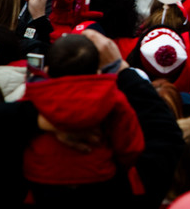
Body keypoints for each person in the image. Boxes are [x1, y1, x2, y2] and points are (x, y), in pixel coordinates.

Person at [21, 34, 145, 204]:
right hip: (99, 179)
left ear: (47, 71)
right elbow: (131, 147)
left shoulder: (33, 96)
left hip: (42, 178)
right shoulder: (113, 98)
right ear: (97, 71)